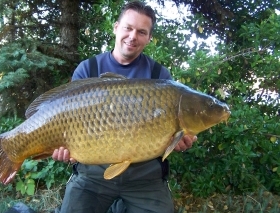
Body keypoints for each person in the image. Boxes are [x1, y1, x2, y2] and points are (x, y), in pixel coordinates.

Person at [52, 1, 197, 213]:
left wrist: (179, 141)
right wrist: (62, 148)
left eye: (141, 32)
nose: (132, 36)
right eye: (128, 28)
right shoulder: (88, 69)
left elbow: (170, 138)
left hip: (145, 178)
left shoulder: (160, 77)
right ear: (116, 27)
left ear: (148, 38)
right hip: (93, 175)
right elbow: (65, 118)